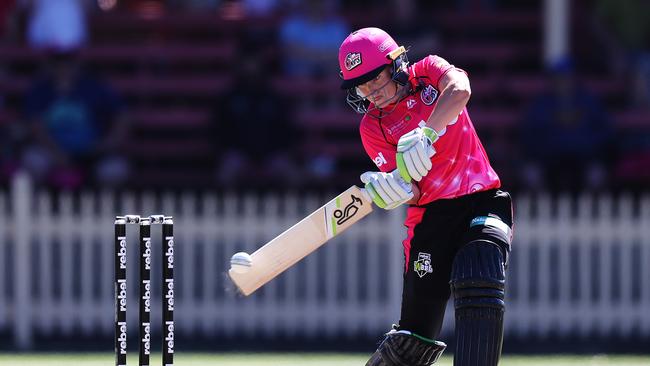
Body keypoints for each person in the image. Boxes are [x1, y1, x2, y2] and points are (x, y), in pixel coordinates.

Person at [338, 28, 513, 365]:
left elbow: (460, 89)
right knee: (413, 340)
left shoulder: (429, 72)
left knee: (481, 270)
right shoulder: (372, 127)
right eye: (361, 84)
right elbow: (413, 188)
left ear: (395, 64)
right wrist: (393, 188)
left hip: (482, 198)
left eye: (375, 77)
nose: (371, 90)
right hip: (430, 217)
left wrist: (427, 131)